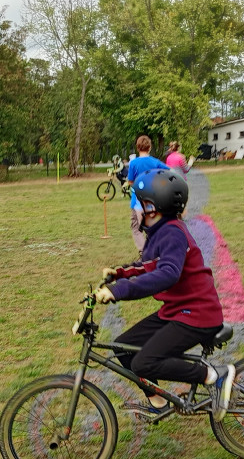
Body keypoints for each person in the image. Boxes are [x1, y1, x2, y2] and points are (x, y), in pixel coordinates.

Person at [94, 168, 236, 420]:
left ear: (154, 208)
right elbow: (150, 265)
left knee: (143, 363)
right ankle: (158, 401)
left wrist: (119, 291)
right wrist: (120, 273)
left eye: (142, 204)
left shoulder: (172, 232)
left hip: (197, 315)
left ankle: (213, 375)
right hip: (177, 311)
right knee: (124, 348)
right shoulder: (161, 232)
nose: (138, 211)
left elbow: (167, 273)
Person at [125, 136, 167, 255]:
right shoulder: (155, 162)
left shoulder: (133, 163)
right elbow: (169, 172)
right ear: (149, 147)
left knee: (136, 227)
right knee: (152, 227)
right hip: (153, 200)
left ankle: (144, 252)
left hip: (137, 201)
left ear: (138, 147)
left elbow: (131, 181)